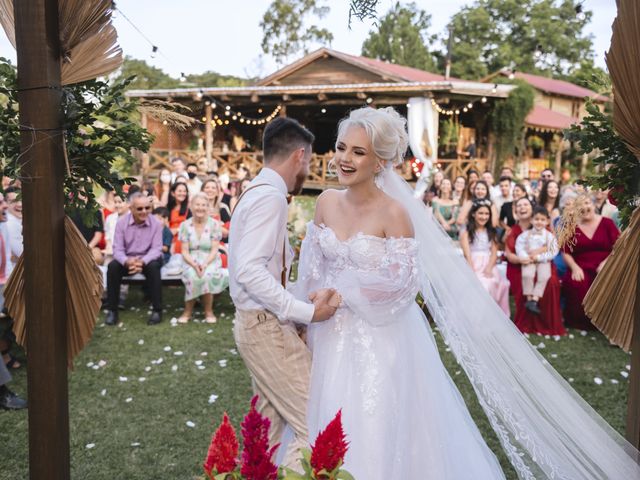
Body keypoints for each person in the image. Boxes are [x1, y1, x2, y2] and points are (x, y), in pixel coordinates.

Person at [295, 107, 640, 479]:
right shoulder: (326, 202)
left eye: (358, 152)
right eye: (342, 147)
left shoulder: (394, 213)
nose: (345, 159)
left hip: (380, 338)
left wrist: (343, 294)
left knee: (373, 418)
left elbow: (402, 286)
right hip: (327, 331)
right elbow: (313, 266)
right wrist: (308, 304)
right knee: (322, 412)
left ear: (380, 161)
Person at [228, 117, 338, 472]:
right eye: (308, 161)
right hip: (265, 329)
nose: (306, 169)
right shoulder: (270, 198)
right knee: (316, 424)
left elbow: (263, 270)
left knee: (266, 435)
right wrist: (304, 313)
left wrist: (294, 310)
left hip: (261, 325)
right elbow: (249, 270)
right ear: (300, 156)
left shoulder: (258, 191)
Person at [504, 197, 565, 336]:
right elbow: (511, 253)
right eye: (519, 205)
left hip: (543, 262)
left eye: (525, 204)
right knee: (526, 276)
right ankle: (528, 309)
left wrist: (538, 254)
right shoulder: (514, 231)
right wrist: (523, 258)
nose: (522, 207)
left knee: (550, 280)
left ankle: (542, 314)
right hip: (520, 264)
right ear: (515, 210)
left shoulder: (547, 231)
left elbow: (552, 248)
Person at [561, 195, 620, 330]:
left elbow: (618, 246)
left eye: (587, 203)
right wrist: (574, 267)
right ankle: (582, 323)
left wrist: (607, 263)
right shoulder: (572, 227)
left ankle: (606, 322)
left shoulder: (607, 223)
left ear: (593, 205)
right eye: (579, 205)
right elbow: (565, 252)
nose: (584, 207)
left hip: (606, 265)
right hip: (581, 266)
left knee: (608, 283)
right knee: (576, 283)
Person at [105, 193, 163, 326]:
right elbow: (117, 249)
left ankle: (157, 310)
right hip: (128, 259)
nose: (144, 211)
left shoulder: (156, 223)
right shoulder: (121, 223)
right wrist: (127, 261)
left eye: (147, 208)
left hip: (148, 259)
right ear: (131, 208)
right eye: (140, 209)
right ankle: (112, 311)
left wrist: (142, 262)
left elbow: (156, 249)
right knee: (113, 267)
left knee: (154, 267)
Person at [177, 193, 229, 324]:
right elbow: (184, 251)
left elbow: (214, 249)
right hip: (190, 259)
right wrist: (195, 265)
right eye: (197, 205)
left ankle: (208, 311)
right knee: (192, 274)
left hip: (210, 258)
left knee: (207, 275)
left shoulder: (215, 225)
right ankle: (188, 311)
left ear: (208, 207)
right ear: (191, 207)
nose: (200, 208)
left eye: (204, 205)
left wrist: (205, 264)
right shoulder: (185, 225)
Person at [460, 200, 510, 315]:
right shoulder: (467, 233)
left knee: (498, 283)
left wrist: (489, 268)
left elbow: (493, 252)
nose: (484, 216)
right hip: (473, 263)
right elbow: (467, 254)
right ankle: (479, 316)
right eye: (481, 213)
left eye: (487, 214)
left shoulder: (491, 232)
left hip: (488, 264)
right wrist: (471, 271)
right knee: (482, 285)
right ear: (474, 214)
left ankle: (495, 314)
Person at [515, 206, 558, 315]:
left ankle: (535, 299)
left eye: (542, 220)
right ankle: (529, 299)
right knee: (527, 275)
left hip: (543, 260)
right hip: (529, 260)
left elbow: (553, 251)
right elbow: (519, 247)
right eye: (537, 219)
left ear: (547, 221)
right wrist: (526, 257)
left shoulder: (550, 237)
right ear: (531, 220)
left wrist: (539, 257)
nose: (539, 222)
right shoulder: (525, 235)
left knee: (544, 276)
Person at [167, 182, 191, 255]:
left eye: (184, 191)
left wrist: (178, 230)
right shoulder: (167, 208)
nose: (182, 193)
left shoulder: (189, 210)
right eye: (179, 191)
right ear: (173, 193)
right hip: (169, 237)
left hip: (184, 238)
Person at [4, 186, 22, 271]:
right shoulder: (10, 223)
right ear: (6, 204)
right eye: (13, 201)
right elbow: (23, 254)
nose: (19, 204)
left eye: (21, 199)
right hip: (13, 278)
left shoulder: (20, 219)